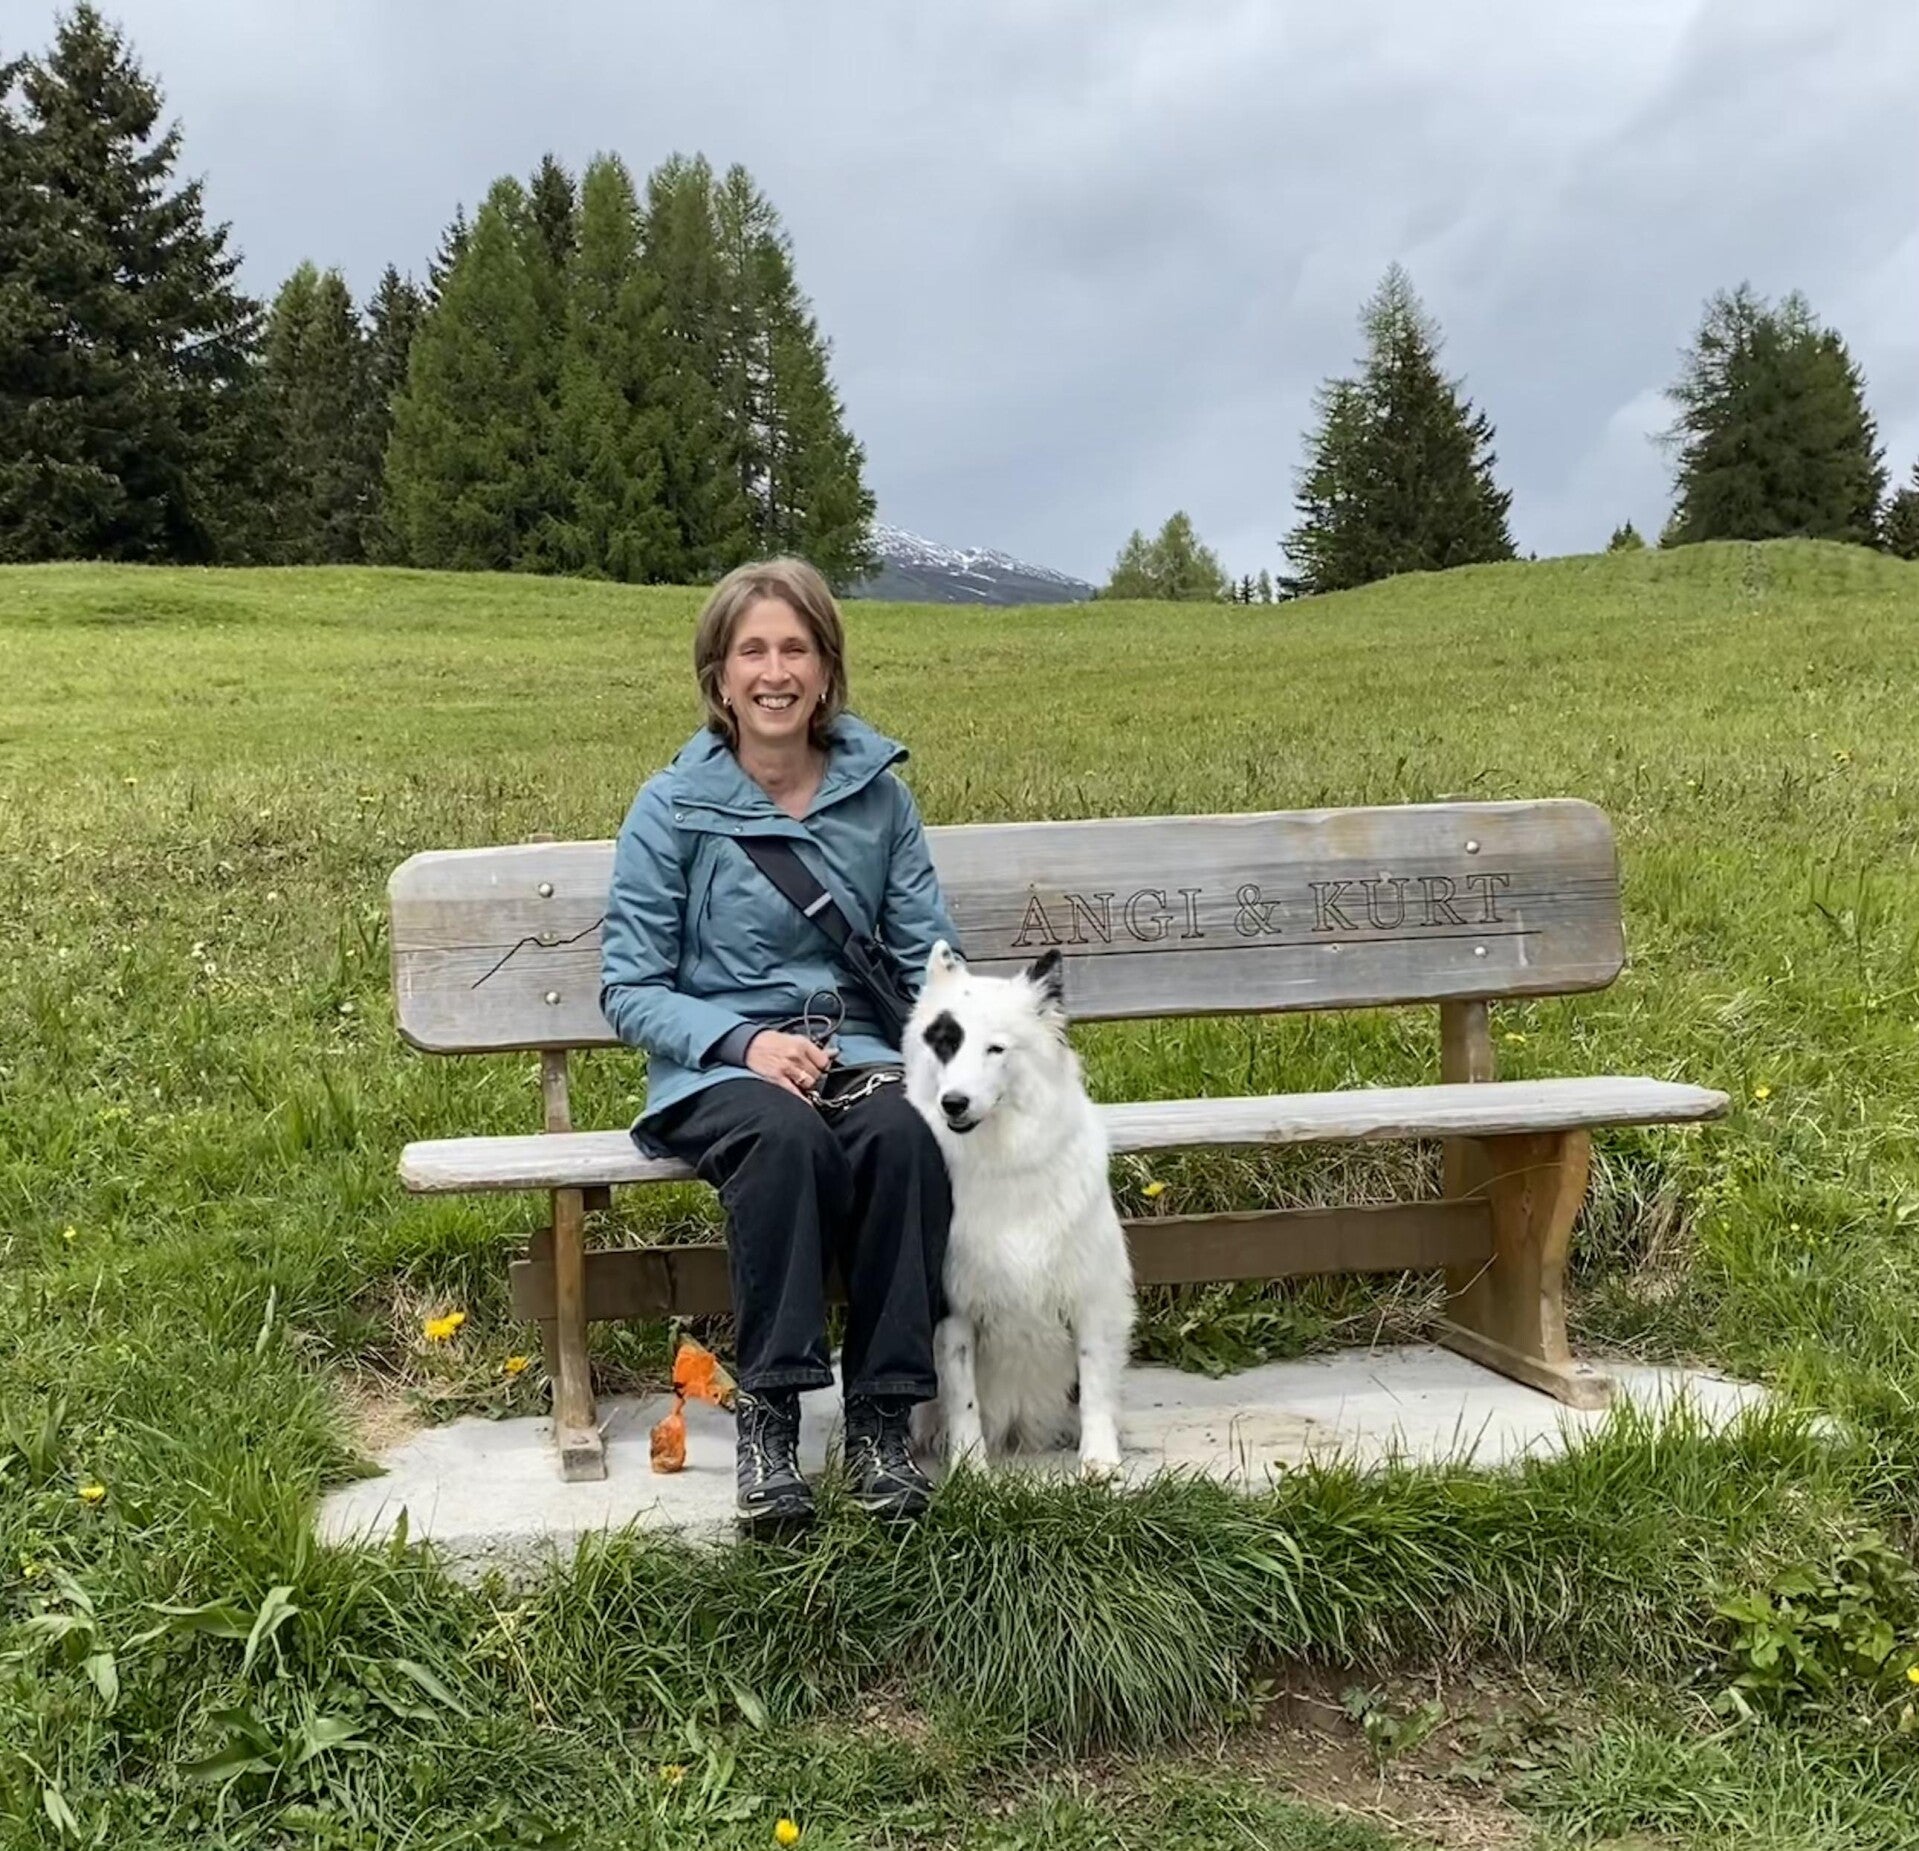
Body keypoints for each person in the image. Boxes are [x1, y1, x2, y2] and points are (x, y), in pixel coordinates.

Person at [599, 557, 960, 1530]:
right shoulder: (670, 806)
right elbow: (628, 988)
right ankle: (771, 1418)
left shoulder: (879, 799)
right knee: (784, 1139)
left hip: (857, 1054)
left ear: (825, 668)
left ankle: (882, 1421)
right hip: (717, 1069)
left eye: (794, 648)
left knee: (904, 1136)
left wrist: (946, 1043)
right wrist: (743, 1041)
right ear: (718, 676)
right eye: (751, 650)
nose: (773, 671)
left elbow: (930, 961)